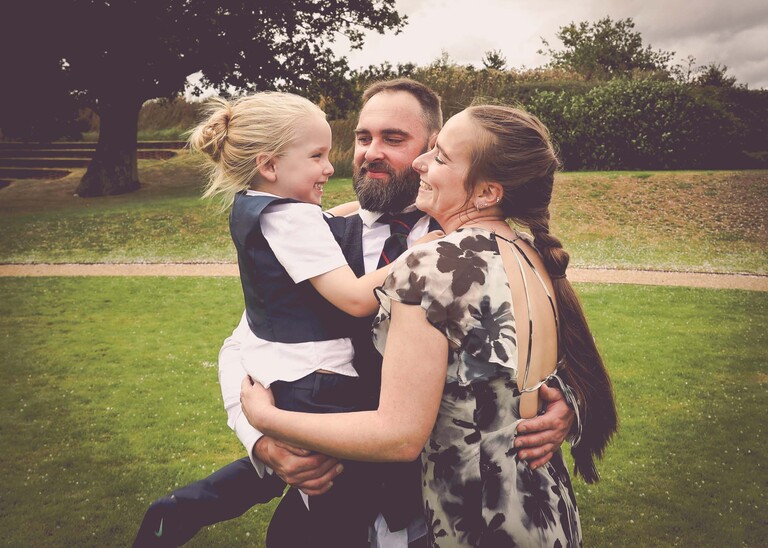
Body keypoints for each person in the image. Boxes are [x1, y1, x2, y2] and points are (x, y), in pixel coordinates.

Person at [135, 80, 578, 547]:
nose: (370, 152)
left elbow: (551, 350)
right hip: (331, 505)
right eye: (363, 137)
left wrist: (568, 404)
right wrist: (262, 442)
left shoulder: (487, 248)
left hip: (443, 514)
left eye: (393, 138)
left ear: (431, 149)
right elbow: (247, 342)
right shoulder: (318, 234)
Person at [241, 104, 618, 546]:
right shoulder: (530, 252)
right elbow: (259, 333)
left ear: (486, 192)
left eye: (436, 154)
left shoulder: (434, 261)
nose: (420, 163)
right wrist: (257, 440)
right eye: (363, 138)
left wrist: (264, 416)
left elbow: (399, 436)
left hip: (474, 521)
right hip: (544, 510)